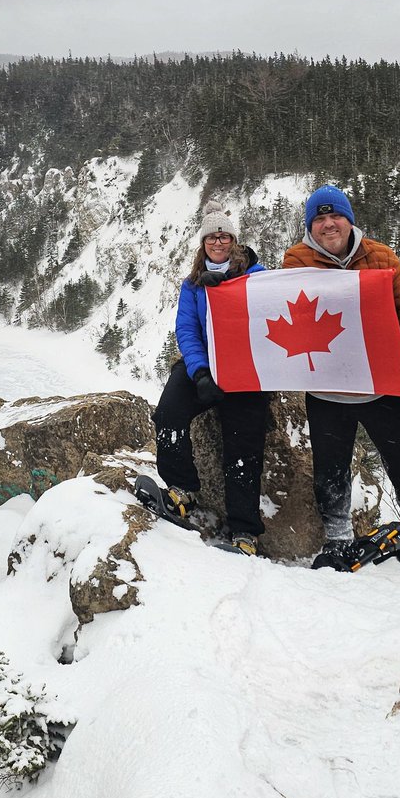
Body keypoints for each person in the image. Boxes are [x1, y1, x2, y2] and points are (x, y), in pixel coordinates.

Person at [283, 184, 400, 583]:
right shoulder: (296, 261)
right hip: (327, 387)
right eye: (319, 219)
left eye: (335, 216)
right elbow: (285, 312)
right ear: (311, 225)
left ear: (349, 219)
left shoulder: (380, 256)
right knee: (331, 467)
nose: (329, 224)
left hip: (383, 383)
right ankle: (338, 537)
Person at [152, 199, 269, 555]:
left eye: (224, 236)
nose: (218, 242)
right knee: (169, 413)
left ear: (234, 241)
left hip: (244, 369)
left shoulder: (256, 276)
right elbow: (186, 330)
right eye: (211, 238)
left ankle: (245, 531)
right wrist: (200, 372)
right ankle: (183, 489)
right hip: (205, 364)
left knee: (244, 441)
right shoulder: (193, 284)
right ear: (203, 244)